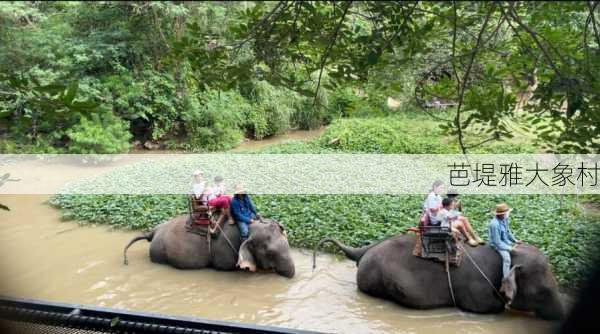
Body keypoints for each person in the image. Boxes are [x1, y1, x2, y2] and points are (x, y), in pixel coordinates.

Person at [488, 203, 521, 279]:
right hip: (497, 244)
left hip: (505, 241)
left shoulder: (505, 219)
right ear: (500, 214)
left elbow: (508, 232)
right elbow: (497, 242)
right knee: (507, 259)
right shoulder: (494, 224)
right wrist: (510, 248)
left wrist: (515, 241)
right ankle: (506, 279)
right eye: (506, 213)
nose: (507, 214)